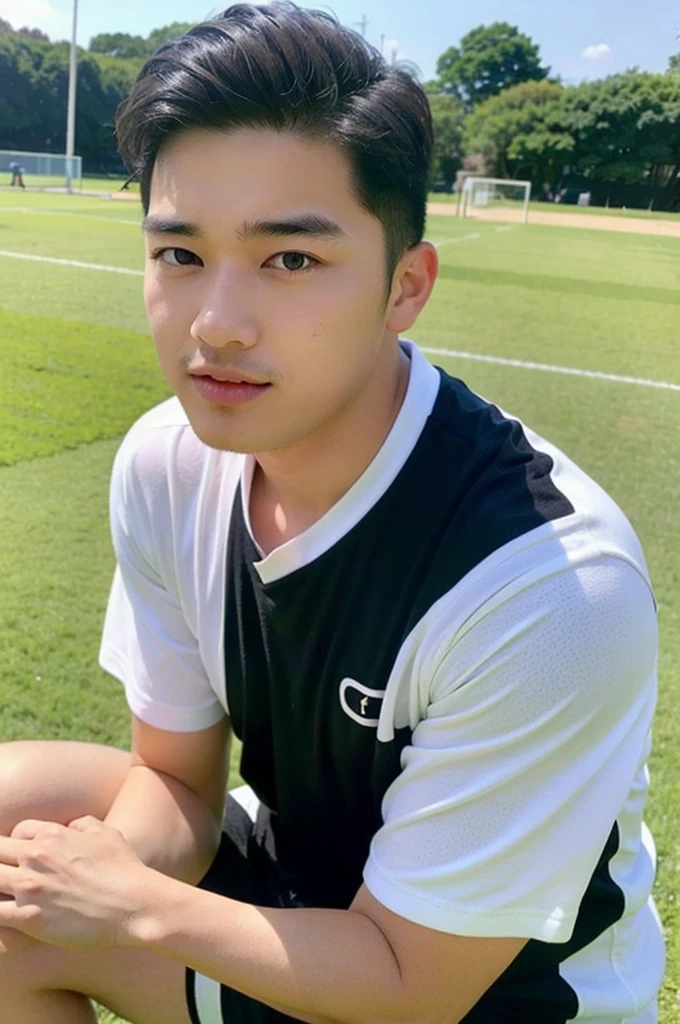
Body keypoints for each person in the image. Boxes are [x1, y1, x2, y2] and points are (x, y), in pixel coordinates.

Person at [0, 4, 665, 1022]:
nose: (214, 323)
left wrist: (129, 905)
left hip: (479, 989)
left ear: (405, 286)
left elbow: (413, 985)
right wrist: (79, 885)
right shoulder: (165, 463)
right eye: (178, 254)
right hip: (299, 879)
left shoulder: (548, 581)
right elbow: (176, 781)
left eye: (289, 260)